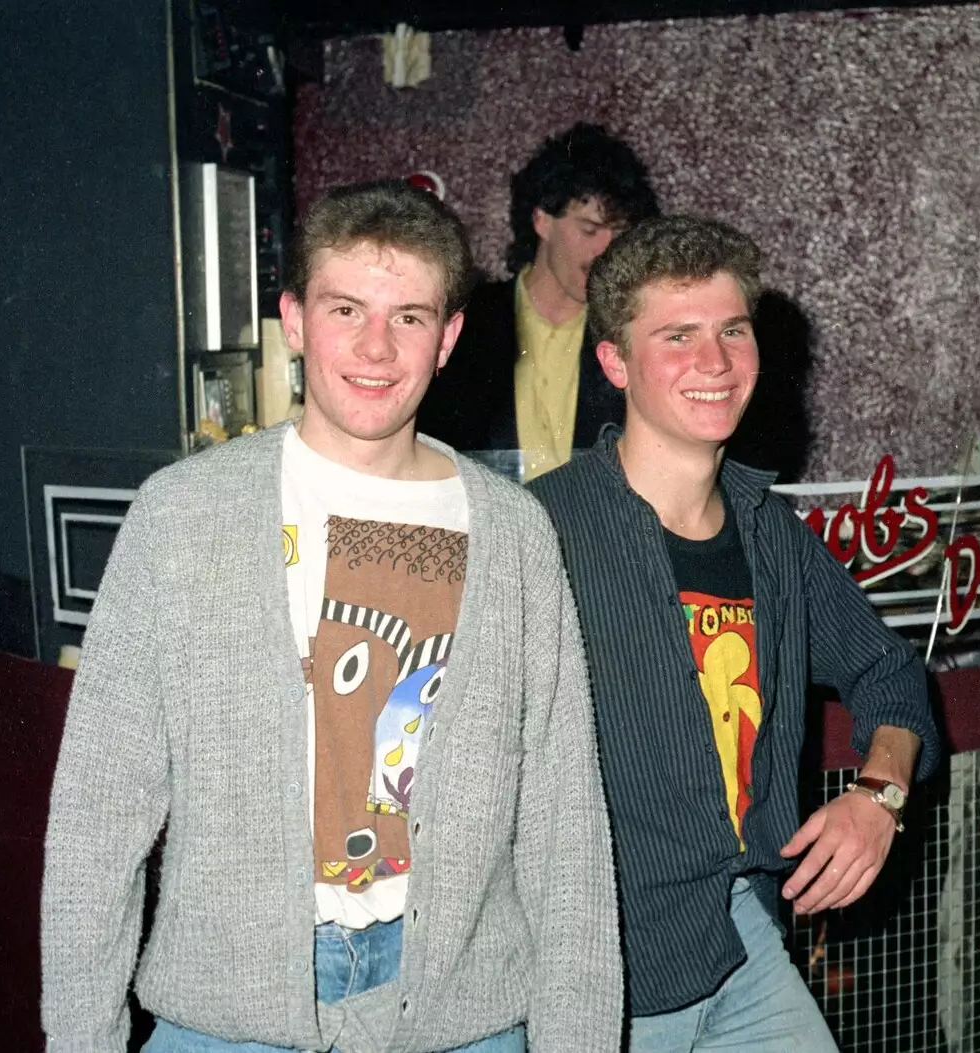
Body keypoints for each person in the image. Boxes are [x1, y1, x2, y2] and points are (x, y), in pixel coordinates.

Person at [41, 180, 621, 1053]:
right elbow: (97, 819)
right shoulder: (183, 516)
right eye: (346, 307)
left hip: (459, 1017)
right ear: (297, 320)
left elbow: (564, 828)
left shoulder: (513, 534)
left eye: (411, 316)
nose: (376, 347)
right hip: (230, 1015)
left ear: (450, 337)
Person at [529, 216, 943, 1051]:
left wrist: (880, 796)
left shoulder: (770, 532)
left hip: (743, 933)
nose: (713, 363)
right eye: (676, 336)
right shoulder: (541, 531)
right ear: (614, 361)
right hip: (602, 969)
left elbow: (892, 671)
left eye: (731, 331)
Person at [416, 122, 659, 480]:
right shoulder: (469, 321)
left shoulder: (628, 330)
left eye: (620, 234)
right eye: (589, 229)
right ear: (541, 220)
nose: (607, 250)